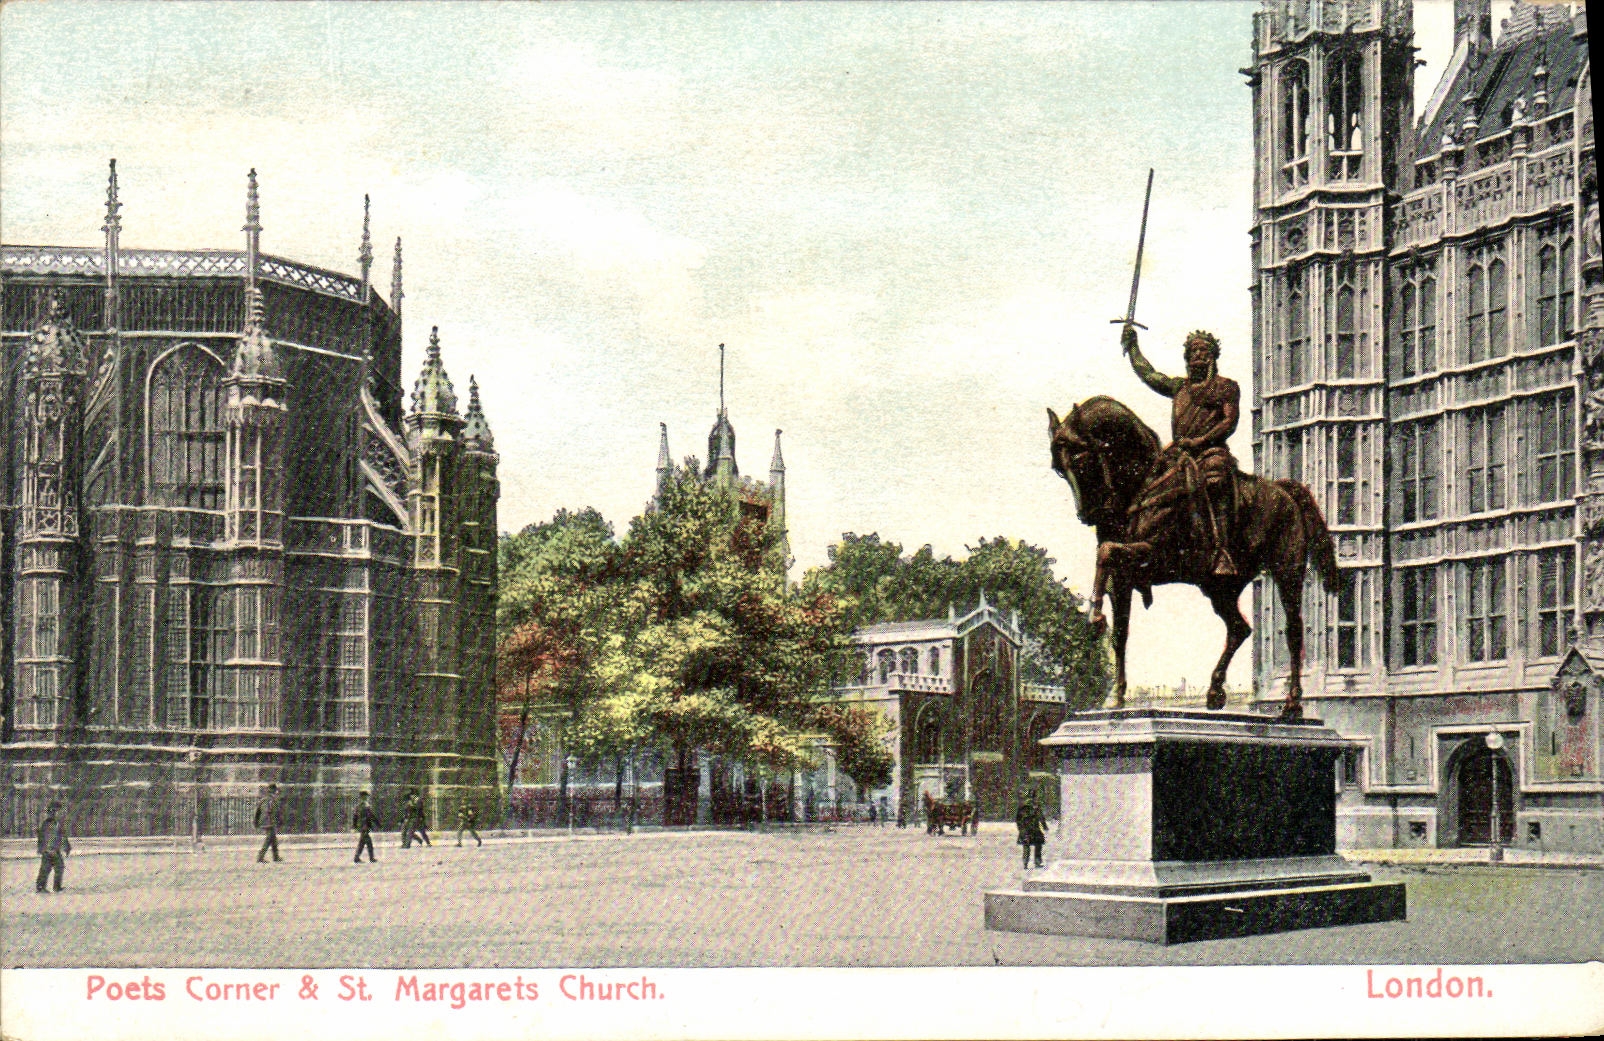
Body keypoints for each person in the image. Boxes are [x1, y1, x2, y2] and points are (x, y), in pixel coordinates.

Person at [1122, 323, 1242, 576]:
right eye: (1194, 351)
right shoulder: (1179, 387)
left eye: (1204, 351)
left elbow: (1228, 422)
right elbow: (1150, 375)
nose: (1199, 355)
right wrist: (1133, 347)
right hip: (1179, 454)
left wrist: (1200, 442)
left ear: (1213, 356)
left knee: (1215, 482)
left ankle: (1221, 550)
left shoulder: (1226, 387)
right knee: (1148, 482)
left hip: (1211, 452)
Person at [36, 802, 71, 893]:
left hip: (55, 849)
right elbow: (45, 837)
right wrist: (47, 848)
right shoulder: (49, 823)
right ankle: (41, 887)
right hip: (50, 850)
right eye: (59, 811)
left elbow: (62, 837)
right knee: (46, 869)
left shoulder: (58, 823)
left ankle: (56, 887)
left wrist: (67, 847)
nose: (61, 813)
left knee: (59, 867)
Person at [1015, 796, 1047, 870]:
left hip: (1028, 830)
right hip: (1032, 829)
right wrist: (1044, 826)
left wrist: (1020, 829)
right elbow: (1041, 817)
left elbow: (1018, 820)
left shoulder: (1023, 808)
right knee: (1035, 846)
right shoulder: (1034, 808)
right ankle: (1035, 862)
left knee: (1028, 847)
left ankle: (1027, 862)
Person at [254, 783, 283, 864]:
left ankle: (276, 856)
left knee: (273, 839)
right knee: (269, 839)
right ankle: (260, 857)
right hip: (270, 822)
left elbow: (257, 811)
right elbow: (275, 812)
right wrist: (280, 821)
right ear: (274, 791)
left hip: (263, 821)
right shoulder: (273, 800)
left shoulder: (263, 800)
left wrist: (256, 822)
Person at [352, 791, 379, 864]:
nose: (367, 797)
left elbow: (355, 817)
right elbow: (370, 816)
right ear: (363, 797)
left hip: (362, 826)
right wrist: (377, 823)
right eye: (366, 796)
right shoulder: (364, 805)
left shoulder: (358, 806)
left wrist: (354, 826)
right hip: (364, 826)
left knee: (362, 843)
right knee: (368, 843)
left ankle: (357, 858)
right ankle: (371, 858)